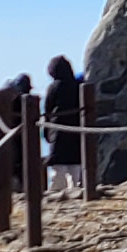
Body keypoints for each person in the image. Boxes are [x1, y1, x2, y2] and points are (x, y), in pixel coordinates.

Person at [41, 56, 85, 197]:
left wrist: (46, 131)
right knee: (75, 163)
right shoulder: (78, 85)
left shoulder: (54, 87)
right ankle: (76, 188)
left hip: (58, 128)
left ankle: (56, 190)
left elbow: (48, 109)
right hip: (76, 128)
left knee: (58, 164)